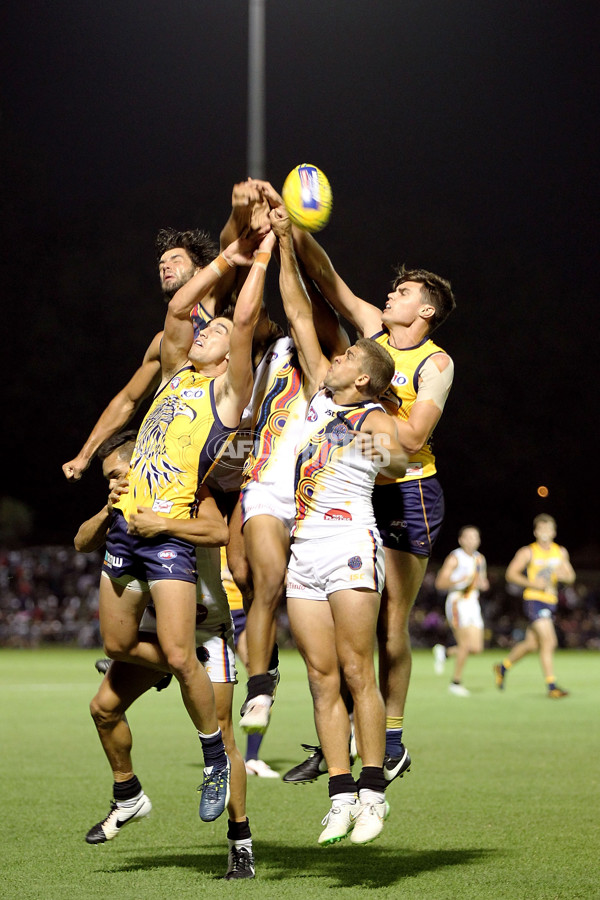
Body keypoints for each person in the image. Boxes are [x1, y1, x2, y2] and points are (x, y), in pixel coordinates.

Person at [255, 178, 455, 784]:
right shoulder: (371, 335)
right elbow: (328, 281)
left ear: (424, 311)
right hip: (360, 487)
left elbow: (414, 438)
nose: (389, 296)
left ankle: (390, 740)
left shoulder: (435, 363)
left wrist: (362, 412)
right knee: (347, 625)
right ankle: (339, 738)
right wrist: (293, 233)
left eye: (403, 292)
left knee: (388, 622)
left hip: (408, 487)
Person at [97, 227, 275, 826]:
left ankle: (213, 758)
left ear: (231, 355)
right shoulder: (177, 375)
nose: (207, 332)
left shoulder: (229, 390)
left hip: (169, 533)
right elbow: (179, 309)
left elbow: (244, 322)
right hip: (126, 528)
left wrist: (256, 262)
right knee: (118, 646)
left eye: (217, 332)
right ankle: (183, 680)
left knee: (177, 651)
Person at [271, 206, 407, 846]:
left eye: (349, 351)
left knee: (358, 674)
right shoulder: (322, 400)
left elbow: (397, 463)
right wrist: (282, 247)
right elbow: (299, 313)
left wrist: (369, 441)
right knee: (319, 679)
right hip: (304, 552)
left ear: (363, 375)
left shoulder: (374, 416)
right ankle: (340, 794)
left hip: (351, 544)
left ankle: (374, 794)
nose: (338, 354)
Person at [76, 433, 255, 879]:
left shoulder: (194, 488)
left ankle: (241, 843)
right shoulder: (123, 506)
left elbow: (217, 532)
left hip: (207, 629)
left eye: (117, 473)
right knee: (103, 709)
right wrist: (109, 506)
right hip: (156, 633)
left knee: (225, 738)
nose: (114, 481)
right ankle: (128, 794)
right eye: (109, 478)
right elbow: (82, 542)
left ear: (144, 460)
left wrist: (164, 525)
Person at [494, 514, 575, 698]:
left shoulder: (560, 552)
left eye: (548, 529)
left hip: (551, 601)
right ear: (535, 532)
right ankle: (551, 686)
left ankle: (503, 667)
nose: (545, 532)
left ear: (554, 532)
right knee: (550, 641)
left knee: (531, 644)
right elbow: (510, 574)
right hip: (534, 600)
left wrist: (565, 577)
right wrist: (532, 583)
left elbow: (571, 576)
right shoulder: (528, 552)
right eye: (541, 529)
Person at [433, 525, 489, 696]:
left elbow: (483, 582)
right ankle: (455, 683)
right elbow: (440, 583)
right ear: (461, 540)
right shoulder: (455, 558)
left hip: (473, 603)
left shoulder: (480, 559)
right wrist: (459, 581)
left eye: (475, 537)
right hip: (457, 602)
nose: (472, 540)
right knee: (464, 644)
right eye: (468, 537)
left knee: (477, 648)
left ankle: (445, 652)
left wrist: (483, 584)